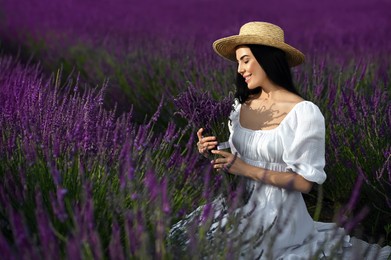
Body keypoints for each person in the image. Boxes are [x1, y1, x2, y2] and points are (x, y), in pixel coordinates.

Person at [169, 21, 391, 259]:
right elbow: (240, 154)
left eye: (245, 60)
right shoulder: (239, 107)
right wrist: (212, 150)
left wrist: (245, 169)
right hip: (240, 203)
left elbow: (305, 182)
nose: (240, 70)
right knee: (185, 240)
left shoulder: (304, 113)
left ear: (267, 58)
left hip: (281, 215)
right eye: (238, 63)